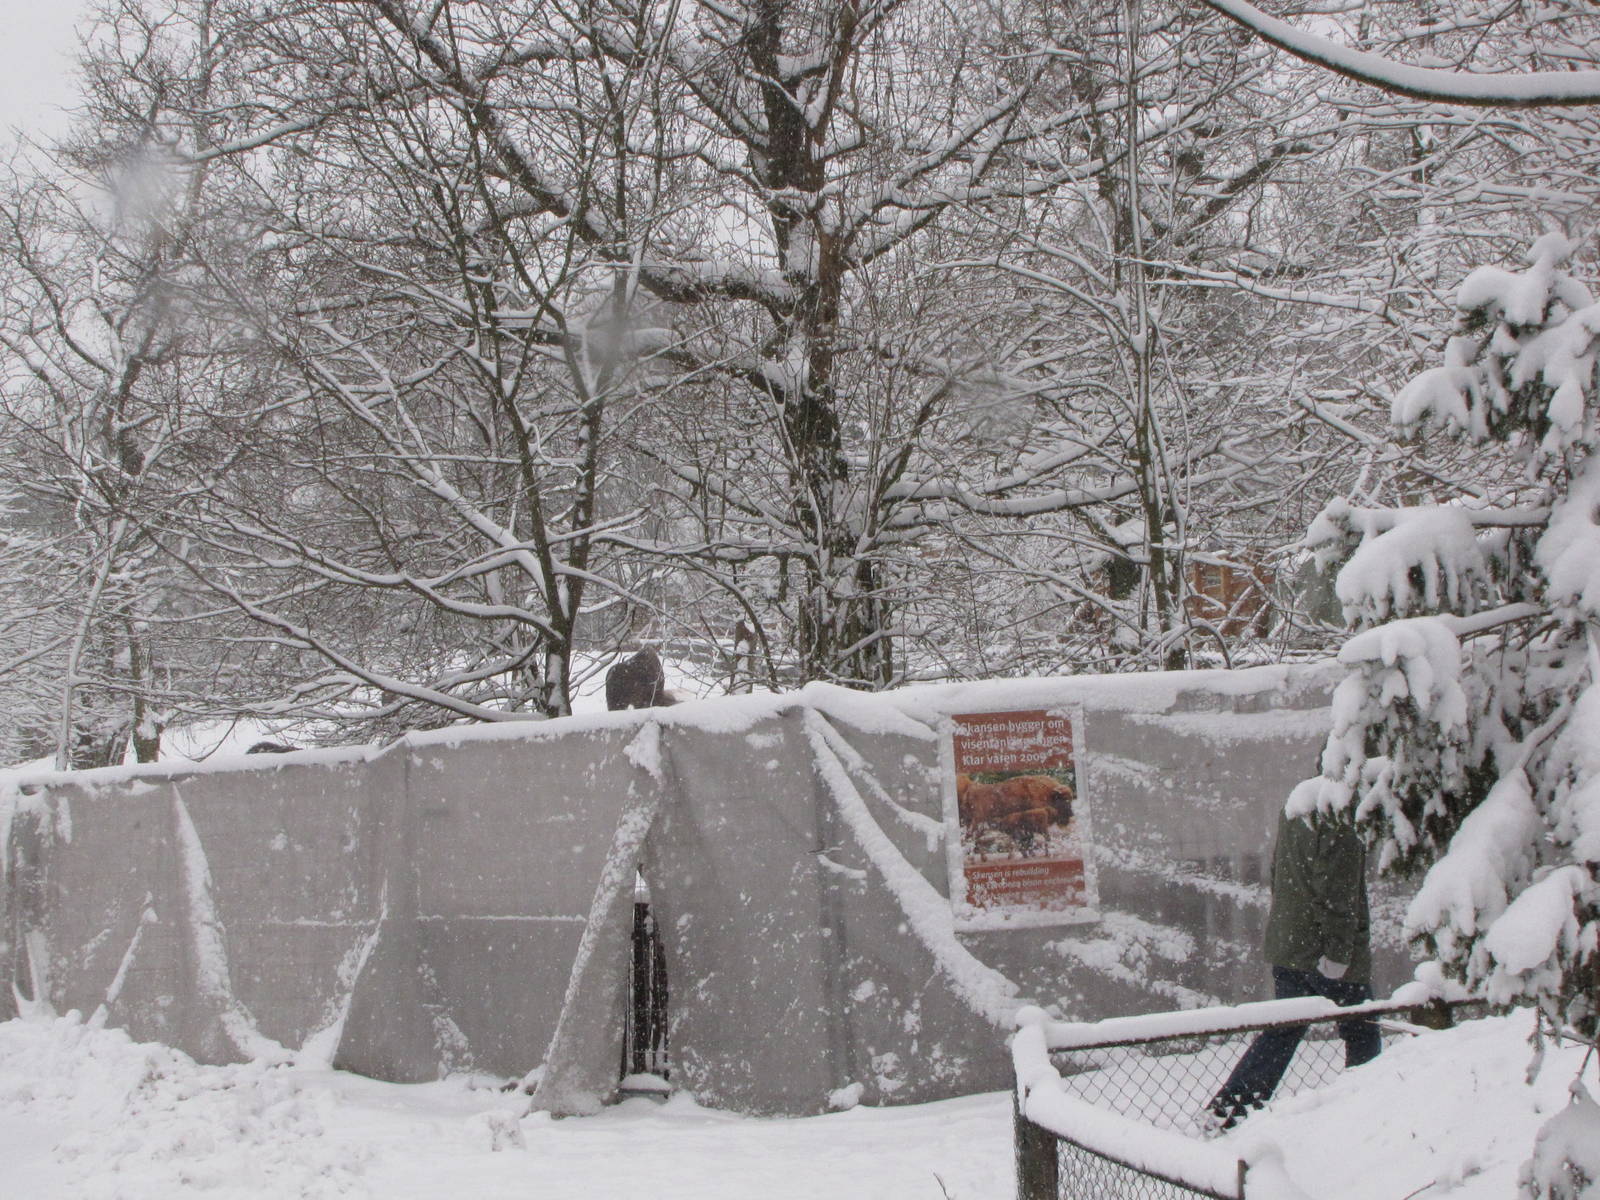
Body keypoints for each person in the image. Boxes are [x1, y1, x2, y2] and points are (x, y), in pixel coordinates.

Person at [1206, 804, 1379, 1131]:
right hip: (1326, 951)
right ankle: (1365, 1113)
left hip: (1290, 944)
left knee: (1282, 1031)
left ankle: (1228, 1111)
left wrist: (1293, 925)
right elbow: (1338, 893)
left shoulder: (1297, 807)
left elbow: (1279, 871)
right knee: (1363, 1030)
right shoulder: (1342, 816)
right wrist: (1339, 953)